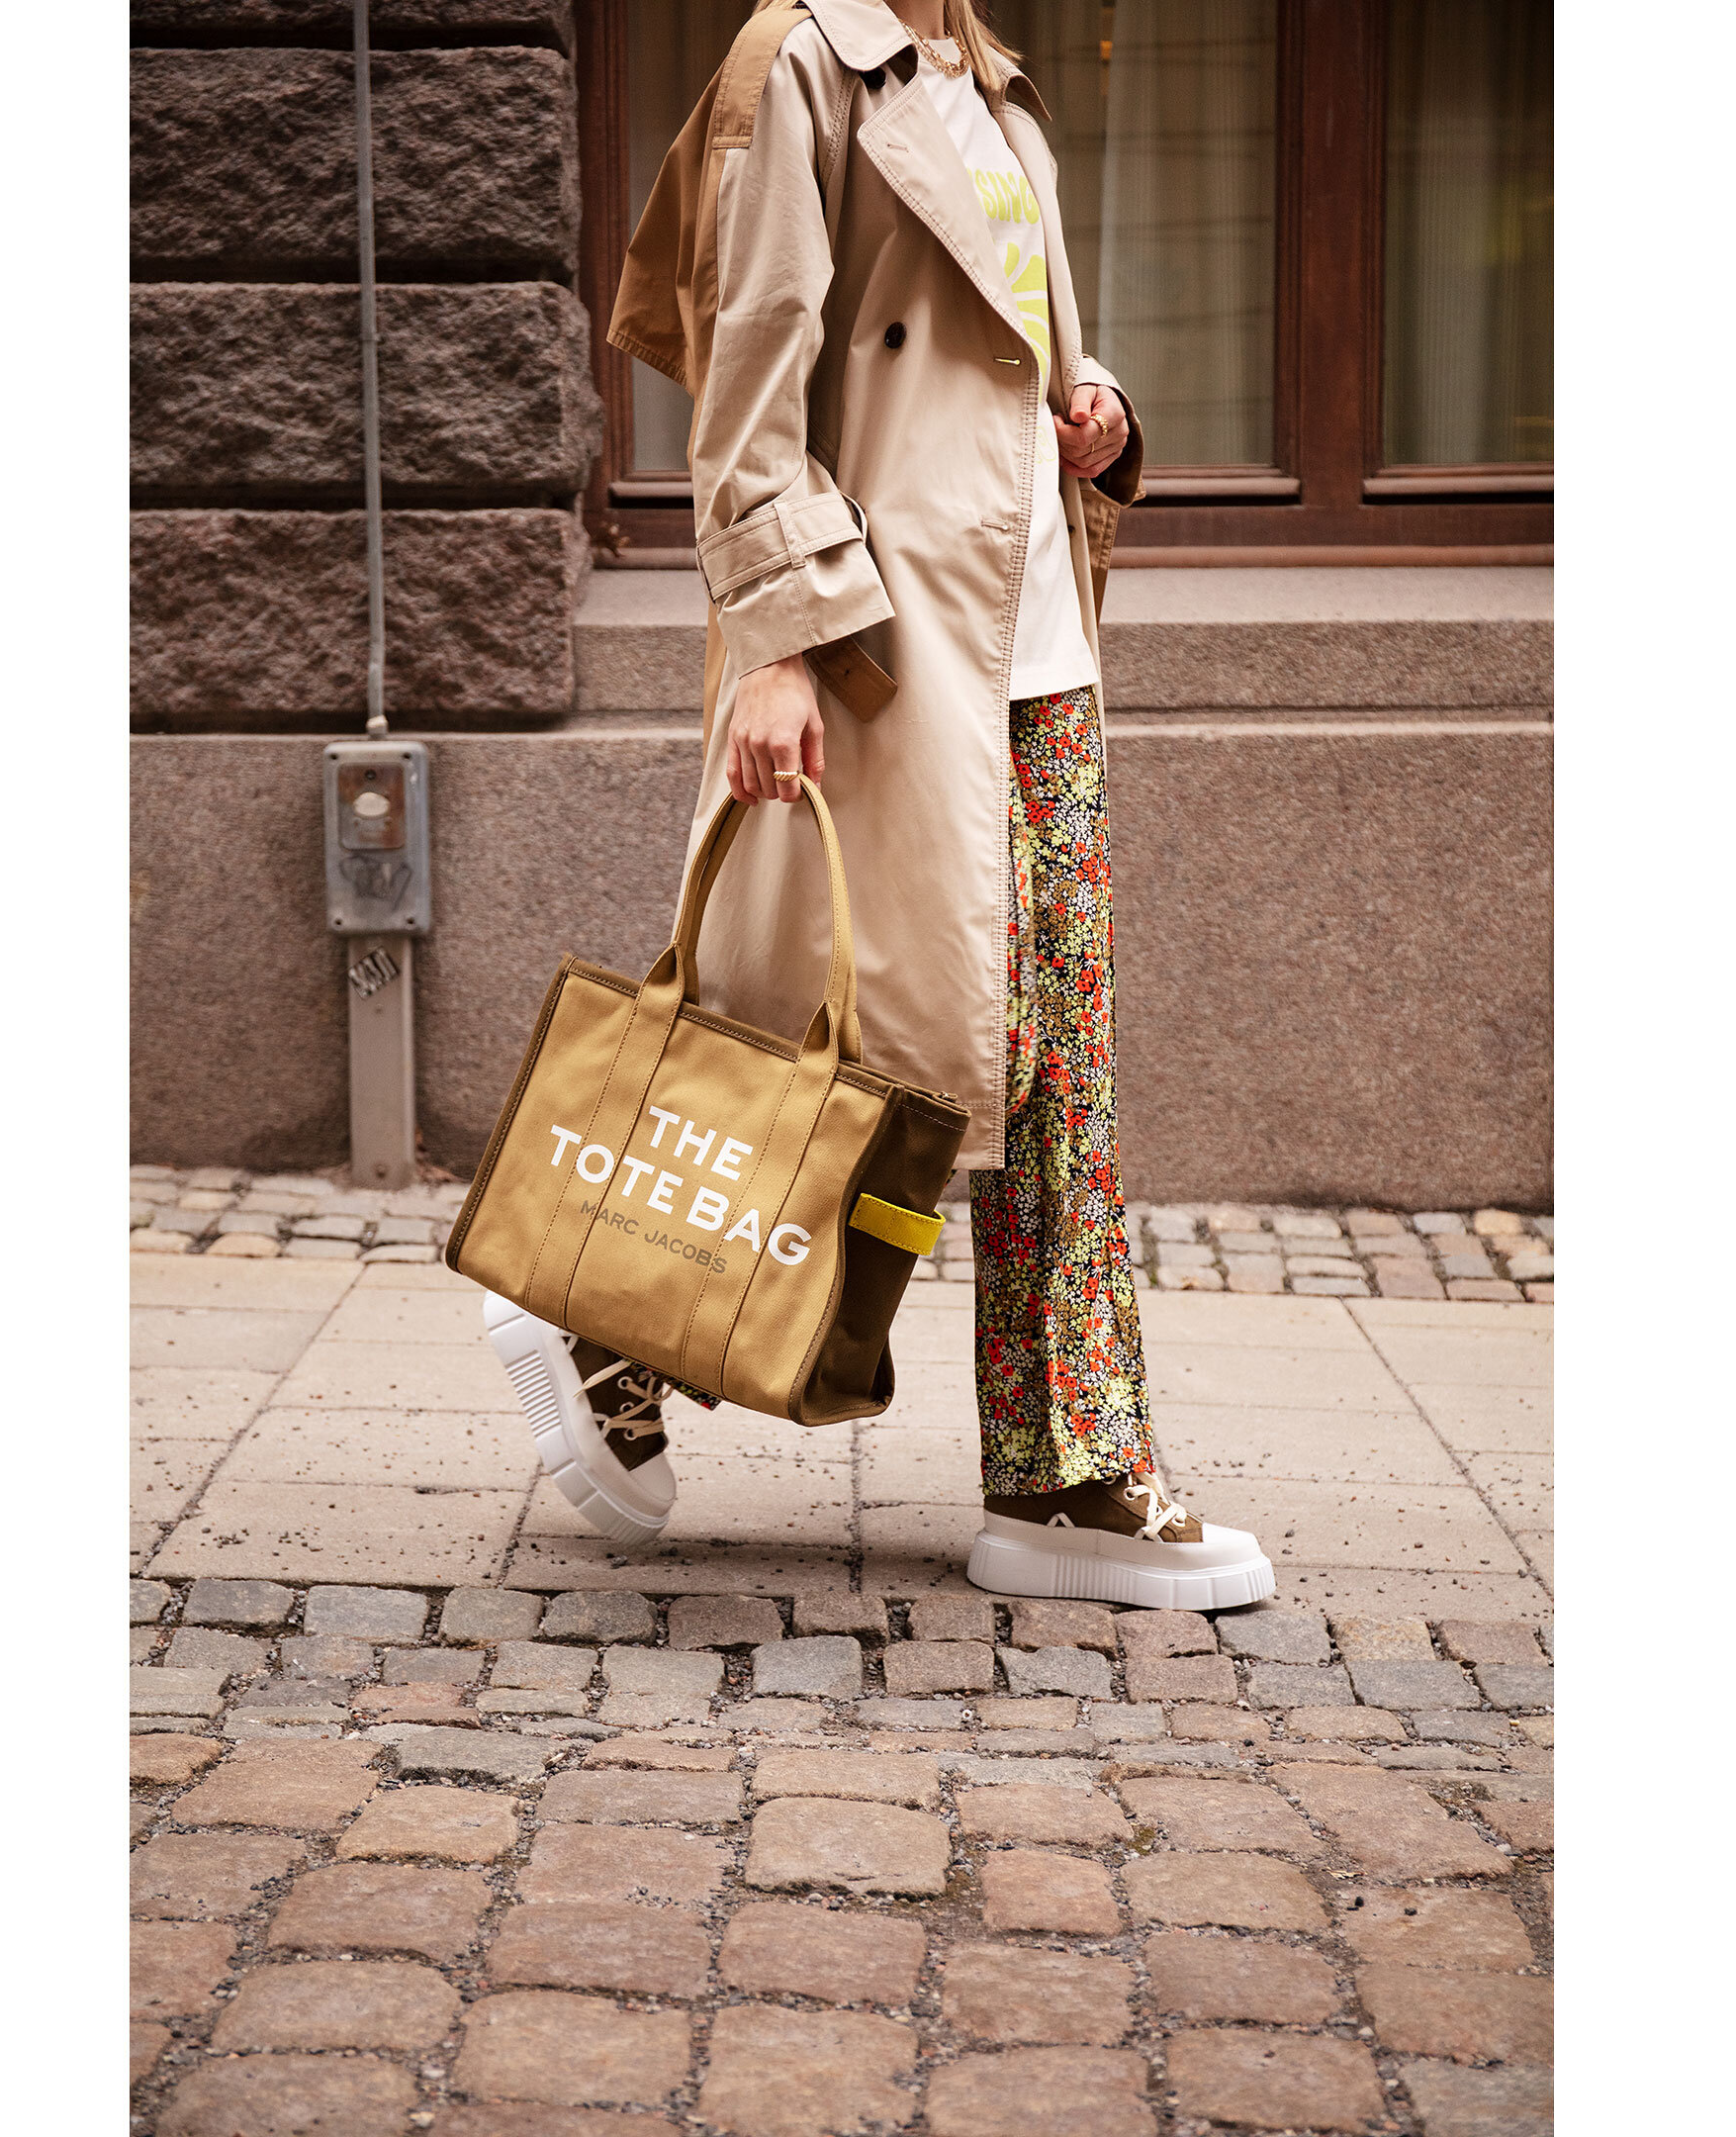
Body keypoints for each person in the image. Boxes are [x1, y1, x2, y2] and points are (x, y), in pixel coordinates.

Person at [484, 0, 1274, 1611]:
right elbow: (749, 389)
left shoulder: (998, 86)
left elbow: (1001, 356)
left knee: (1047, 1076)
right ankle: (612, 1312)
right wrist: (774, 645)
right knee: (870, 1052)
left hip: (1038, 658)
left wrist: (1094, 408)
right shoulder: (803, 63)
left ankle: (1062, 1472)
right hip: (886, 650)